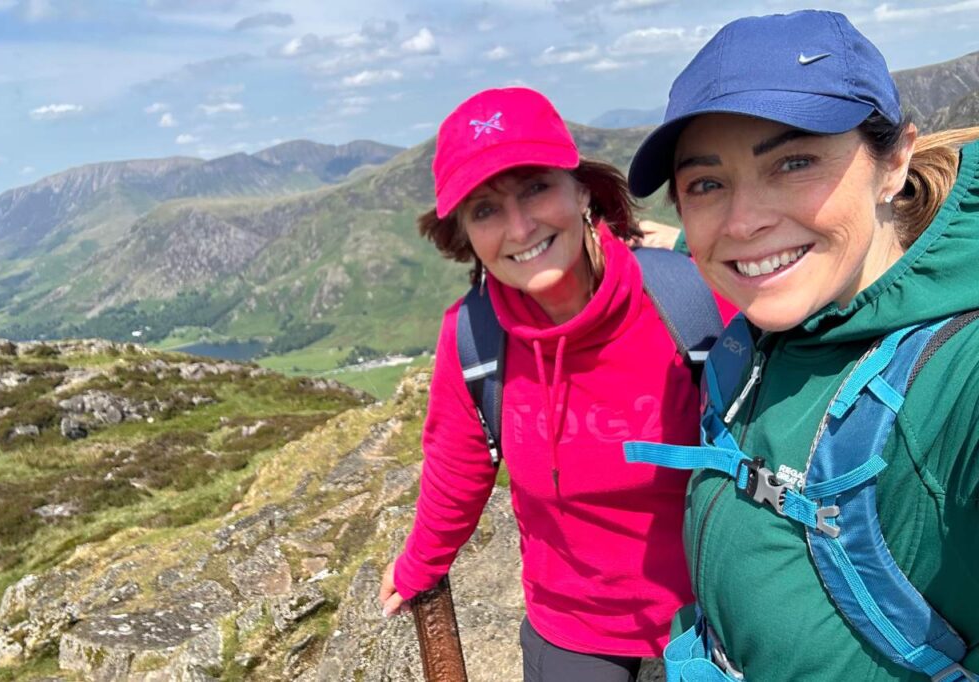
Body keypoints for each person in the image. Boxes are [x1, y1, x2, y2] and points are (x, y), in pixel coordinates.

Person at [625, 10, 979, 682]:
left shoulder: (958, 376)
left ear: (894, 161)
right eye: (706, 184)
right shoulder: (772, 329)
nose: (743, 221)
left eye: (794, 162)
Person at [377, 86, 733, 681]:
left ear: (582, 190)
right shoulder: (473, 339)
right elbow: (458, 469)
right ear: (465, 235)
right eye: (486, 209)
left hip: (712, 614)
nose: (519, 227)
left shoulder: (691, 300)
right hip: (571, 627)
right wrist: (418, 565)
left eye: (536, 187)